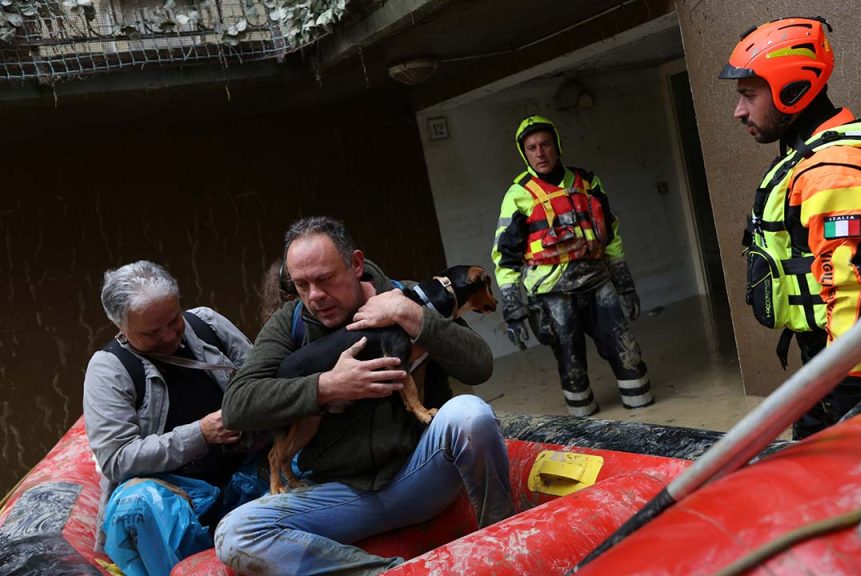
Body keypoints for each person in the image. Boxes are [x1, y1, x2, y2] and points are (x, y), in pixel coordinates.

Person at [215, 216, 514, 576]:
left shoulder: (408, 297)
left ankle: (503, 543)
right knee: (235, 533)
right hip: (338, 496)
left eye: (325, 279)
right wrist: (325, 387)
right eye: (301, 285)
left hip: (420, 473)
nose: (314, 296)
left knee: (471, 414)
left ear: (356, 264)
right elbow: (236, 406)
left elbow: (480, 366)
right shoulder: (289, 323)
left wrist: (412, 315)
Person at [719, 16, 861, 439]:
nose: (738, 111)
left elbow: (854, 289)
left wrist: (846, 391)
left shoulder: (833, 171)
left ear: (791, 88)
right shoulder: (829, 149)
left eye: (748, 95)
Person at [82, 260, 255, 575]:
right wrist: (201, 434)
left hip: (237, 471)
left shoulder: (207, 324)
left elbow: (260, 378)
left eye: (173, 321)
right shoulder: (109, 369)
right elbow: (116, 459)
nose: (169, 336)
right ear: (121, 327)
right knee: (143, 504)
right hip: (172, 498)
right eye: (151, 333)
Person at [492, 115, 653, 417]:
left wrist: (626, 285)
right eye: (531, 148)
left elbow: (612, 237)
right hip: (552, 293)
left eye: (545, 144)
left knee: (624, 347)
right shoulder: (518, 196)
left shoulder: (588, 183)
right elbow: (505, 257)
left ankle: (646, 414)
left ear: (557, 145)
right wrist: (514, 311)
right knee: (570, 360)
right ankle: (584, 423)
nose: (540, 153)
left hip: (597, 282)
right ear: (523, 153)